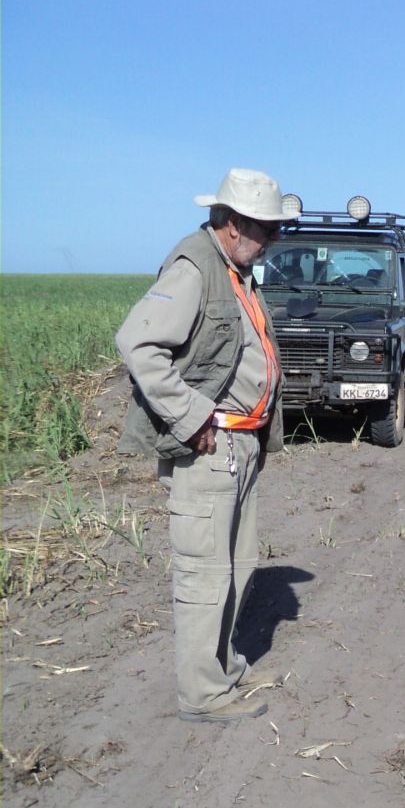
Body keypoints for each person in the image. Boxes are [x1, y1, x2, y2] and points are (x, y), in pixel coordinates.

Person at [116, 168, 298, 721]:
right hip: (208, 449)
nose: (272, 239)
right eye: (266, 228)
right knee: (204, 574)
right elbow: (137, 342)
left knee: (238, 566)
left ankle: (223, 667)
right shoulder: (195, 267)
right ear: (233, 223)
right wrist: (194, 418)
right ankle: (201, 695)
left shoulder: (237, 270)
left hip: (239, 446)